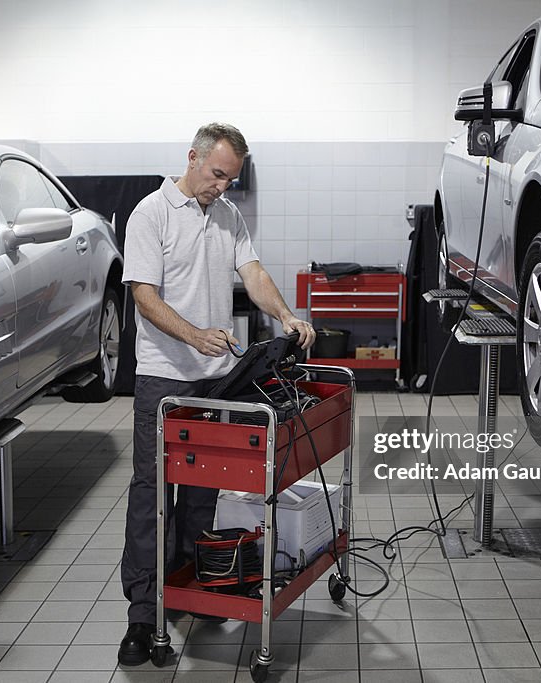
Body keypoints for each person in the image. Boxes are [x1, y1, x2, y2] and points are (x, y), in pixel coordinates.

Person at [118, 122, 316, 665]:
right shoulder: (150, 213)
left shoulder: (226, 215)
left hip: (214, 380)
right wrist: (196, 334)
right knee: (153, 491)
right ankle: (143, 611)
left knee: (203, 488)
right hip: (163, 376)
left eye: (230, 178)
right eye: (216, 174)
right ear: (193, 158)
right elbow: (144, 296)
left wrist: (285, 314)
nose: (222, 186)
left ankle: (194, 585)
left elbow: (250, 271)